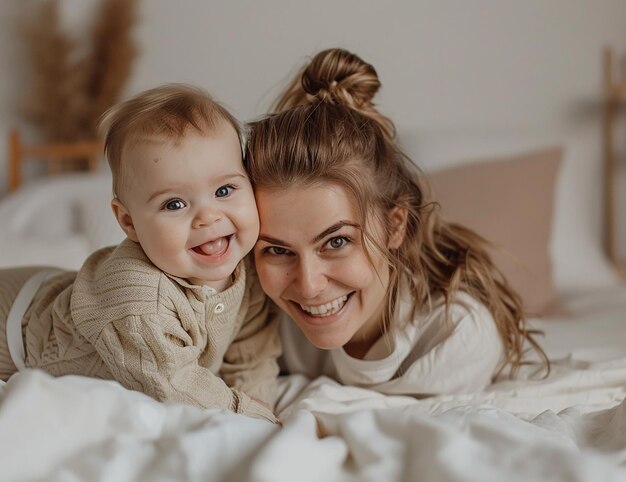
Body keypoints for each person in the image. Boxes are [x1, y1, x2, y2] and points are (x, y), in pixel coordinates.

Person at [245, 48, 548, 395]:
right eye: (277, 250)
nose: (309, 286)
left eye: (337, 241)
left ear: (395, 225)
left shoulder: (453, 337)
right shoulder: (255, 312)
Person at [0, 84, 280, 422]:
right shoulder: (140, 302)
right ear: (129, 222)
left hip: (54, 287)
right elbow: (171, 384)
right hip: (14, 323)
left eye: (224, 189)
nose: (209, 216)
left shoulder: (247, 269)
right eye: (174, 203)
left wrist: (258, 398)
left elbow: (254, 346)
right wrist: (244, 413)